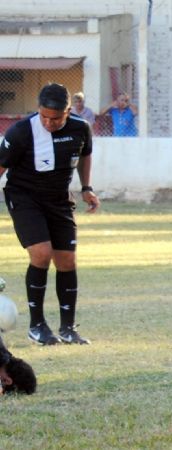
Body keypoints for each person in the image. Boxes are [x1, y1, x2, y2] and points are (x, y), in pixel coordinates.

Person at [0, 83, 99, 346]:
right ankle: (37, 326)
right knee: (42, 254)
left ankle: (68, 329)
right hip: (25, 197)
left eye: (55, 118)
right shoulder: (21, 131)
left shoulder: (80, 128)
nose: (48, 122)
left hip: (59, 200)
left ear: (67, 112)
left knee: (67, 261)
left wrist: (87, 188)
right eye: (43, 116)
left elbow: (86, 154)